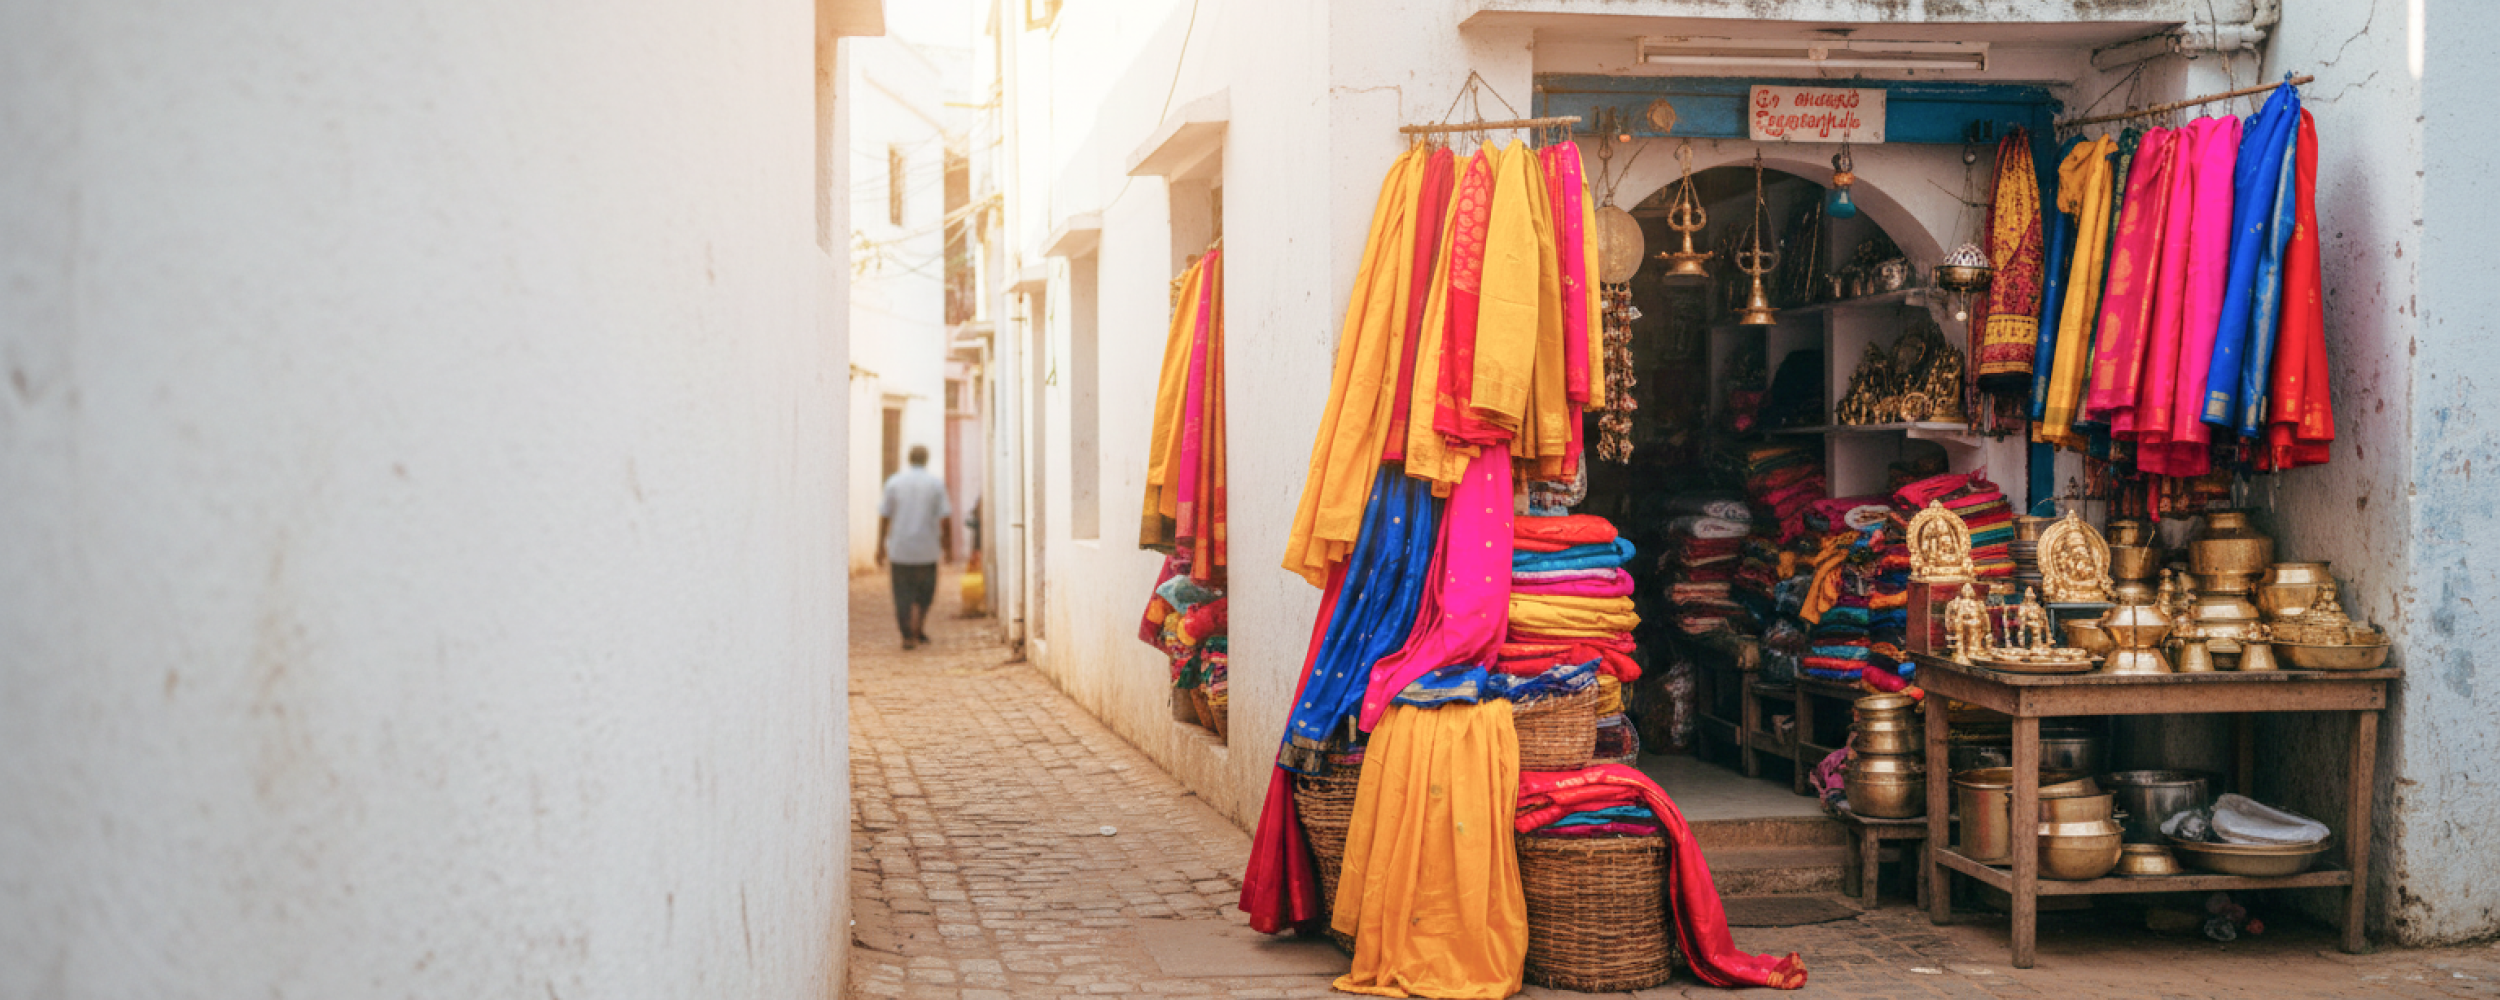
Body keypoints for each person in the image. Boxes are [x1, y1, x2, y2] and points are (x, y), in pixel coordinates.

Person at [878, 445, 953, 649]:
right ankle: (918, 626)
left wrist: (880, 547)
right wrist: (948, 547)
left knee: (902, 594)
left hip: (900, 549)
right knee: (925, 593)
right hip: (926, 550)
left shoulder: (894, 482)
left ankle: (907, 635)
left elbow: (884, 516)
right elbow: (945, 518)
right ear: (926, 459)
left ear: (909, 459)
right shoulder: (935, 484)